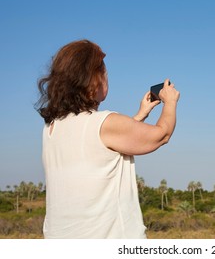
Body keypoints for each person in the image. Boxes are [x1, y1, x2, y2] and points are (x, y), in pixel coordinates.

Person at [35, 39, 180, 238]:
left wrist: (139, 116)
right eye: (104, 73)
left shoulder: (52, 127)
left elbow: (99, 145)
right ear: (93, 78)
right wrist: (170, 102)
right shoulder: (104, 123)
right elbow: (161, 135)